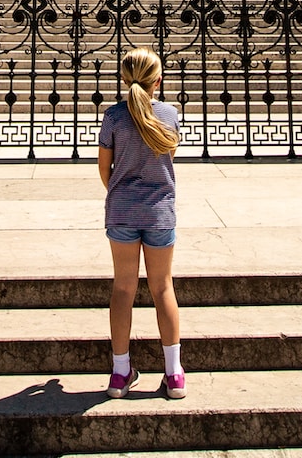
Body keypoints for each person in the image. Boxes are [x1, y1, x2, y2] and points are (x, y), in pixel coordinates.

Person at [97, 46, 186, 400]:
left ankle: (120, 373)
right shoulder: (169, 114)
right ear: (158, 80)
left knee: (123, 289)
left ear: (124, 78)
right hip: (159, 211)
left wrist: (120, 193)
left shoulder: (114, 117)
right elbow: (168, 160)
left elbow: (105, 168)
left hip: (122, 210)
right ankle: (174, 373)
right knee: (163, 287)